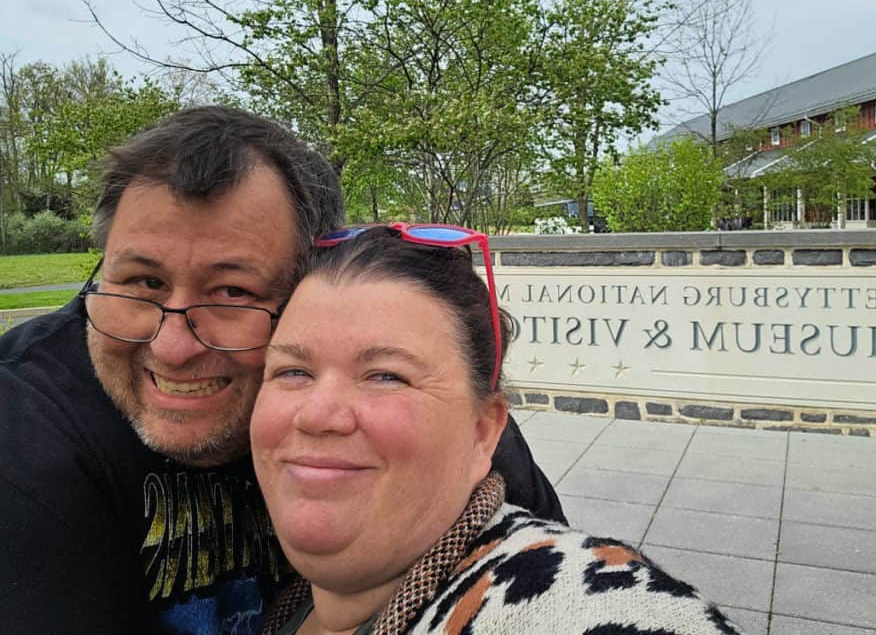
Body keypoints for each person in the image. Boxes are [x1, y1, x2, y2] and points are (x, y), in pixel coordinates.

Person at [0, 107, 562, 635]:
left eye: (231, 292)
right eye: (144, 283)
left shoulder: (435, 416)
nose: (171, 348)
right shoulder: (25, 428)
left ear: (306, 298)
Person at [252, 225, 740, 635]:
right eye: (293, 371)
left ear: (483, 433)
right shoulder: (278, 601)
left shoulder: (564, 598)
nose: (317, 415)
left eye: (386, 376)